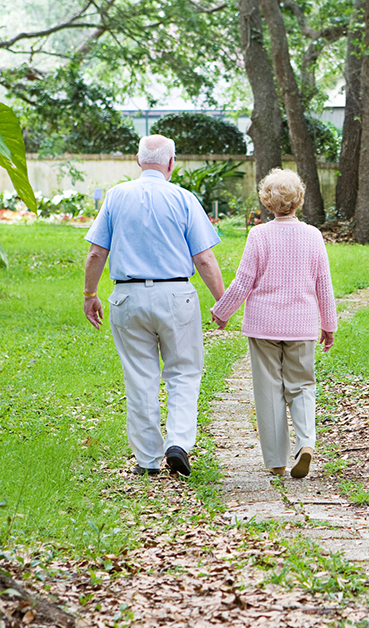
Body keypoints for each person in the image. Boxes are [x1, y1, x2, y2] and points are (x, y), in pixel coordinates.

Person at [82, 135, 226, 477]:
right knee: (184, 372)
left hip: (127, 297)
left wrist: (90, 294)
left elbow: (96, 252)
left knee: (140, 377)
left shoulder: (116, 196)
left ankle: (147, 460)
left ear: (137, 160)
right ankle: (177, 443)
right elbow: (204, 258)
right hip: (176, 296)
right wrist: (224, 301)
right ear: (171, 163)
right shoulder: (183, 198)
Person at [212, 169, 336, 479]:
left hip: (264, 325)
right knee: (302, 385)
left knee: (268, 389)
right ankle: (306, 443)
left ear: (267, 201)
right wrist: (329, 323)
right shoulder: (313, 235)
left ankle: (276, 461)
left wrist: (222, 312)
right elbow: (324, 283)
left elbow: (243, 282)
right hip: (303, 324)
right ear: (300, 200)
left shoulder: (259, 235)